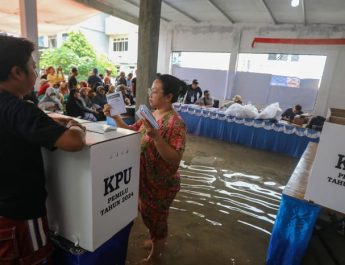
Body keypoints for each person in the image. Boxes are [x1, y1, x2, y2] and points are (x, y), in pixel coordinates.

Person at [0, 35, 86, 264]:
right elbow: (74, 142)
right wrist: (76, 126)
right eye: (33, 67)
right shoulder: (19, 110)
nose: (36, 73)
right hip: (22, 214)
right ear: (17, 72)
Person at [104, 74, 187, 263]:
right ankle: (155, 239)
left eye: (156, 91)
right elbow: (132, 131)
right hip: (145, 179)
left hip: (161, 184)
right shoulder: (151, 114)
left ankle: (156, 254)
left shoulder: (176, 123)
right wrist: (114, 116)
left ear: (168, 97)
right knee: (148, 215)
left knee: (157, 219)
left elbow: (175, 159)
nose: (150, 95)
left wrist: (157, 137)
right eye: (151, 90)